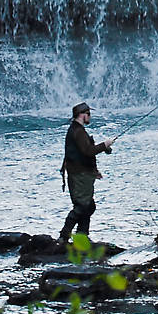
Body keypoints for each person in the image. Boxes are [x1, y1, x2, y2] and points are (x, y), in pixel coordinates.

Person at [59, 102, 114, 243]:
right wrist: (105, 145)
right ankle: (64, 236)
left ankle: (81, 236)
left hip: (82, 174)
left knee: (88, 206)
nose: (90, 117)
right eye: (88, 114)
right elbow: (88, 151)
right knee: (83, 206)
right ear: (82, 115)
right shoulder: (78, 132)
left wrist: (94, 171)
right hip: (79, 176)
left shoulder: (76, 130)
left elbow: (82, 154)